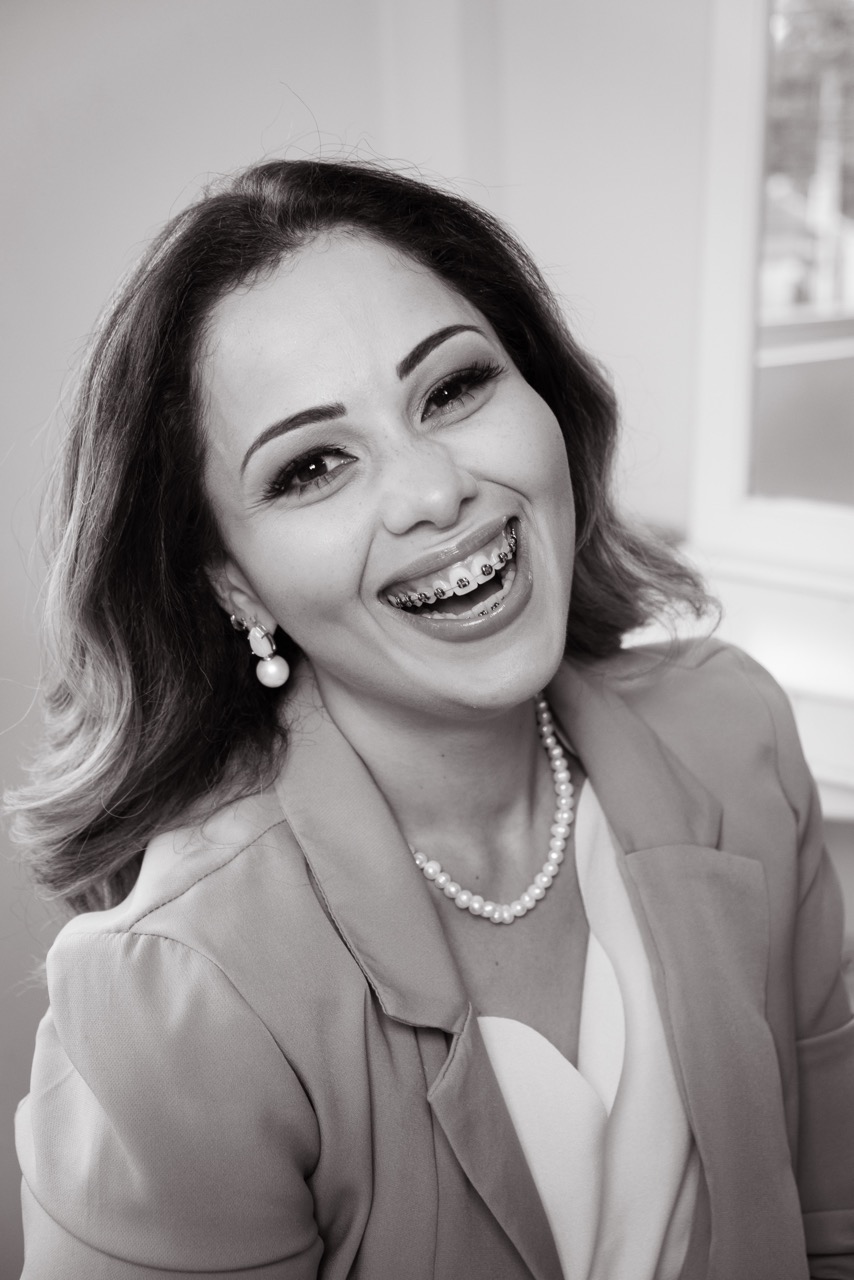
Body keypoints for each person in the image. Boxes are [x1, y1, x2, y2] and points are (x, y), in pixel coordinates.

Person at [10, 158, 854, 1280]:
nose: (431, 491)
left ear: (543, 395)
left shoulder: (733, 731)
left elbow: (834, 1223)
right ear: (234, 583)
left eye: (452, 389)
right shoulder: (174, 993)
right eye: (313, 466)